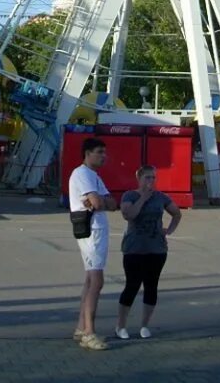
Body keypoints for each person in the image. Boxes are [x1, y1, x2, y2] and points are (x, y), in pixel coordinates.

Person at [114, 165, 181, 340]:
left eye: (153, 178)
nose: (151, 181)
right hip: (134, 249)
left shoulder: (160, 197)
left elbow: (176, 213)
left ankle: (144, 325)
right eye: (147, 178)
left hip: (156, 249)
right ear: (139, 178)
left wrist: (169, 230)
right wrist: (143, 198)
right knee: (132, 285)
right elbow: (129, 215)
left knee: (151, 286)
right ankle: (120, 325)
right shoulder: (130, 195)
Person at [69, 138, 118, 351]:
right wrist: (98, 201)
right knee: (96, 281)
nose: (103, 156)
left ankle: (81, 327)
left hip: (98, 229)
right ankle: (89, 331)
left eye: (104, 152)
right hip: (91, 231)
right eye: (99, 152)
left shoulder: (94, 176)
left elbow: (111, 203)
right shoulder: (82, 174)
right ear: (88, 153)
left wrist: (99, 201)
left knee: (90, 280)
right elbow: (98, 203)